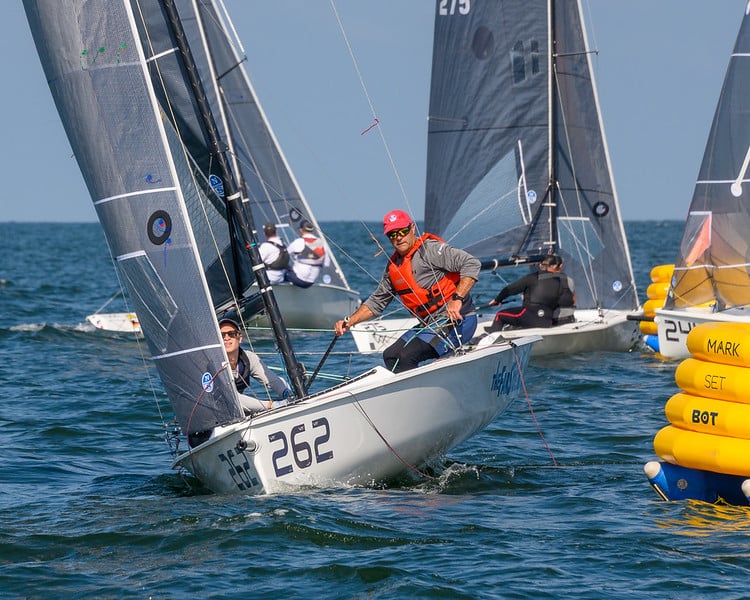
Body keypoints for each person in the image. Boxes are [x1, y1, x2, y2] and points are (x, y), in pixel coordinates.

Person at [334, 209, 480, 373]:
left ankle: (424, 395)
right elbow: (376, 302)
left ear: (412, 229)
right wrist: (350, 321)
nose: (398, 237)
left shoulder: (431, 251)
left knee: (407, 356)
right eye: (392, 234)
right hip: (430, 323)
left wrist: (457, 299)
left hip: (458, 320)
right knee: (390, 356)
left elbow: (472, 263)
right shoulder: (393, 267)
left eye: (402, 231)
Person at [485, 254, 576, 332]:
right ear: (560, 266)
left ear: (541, 265)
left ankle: (490, 336)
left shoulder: (532, 278)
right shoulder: (563, 281)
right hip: (547, 320)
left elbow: (509, 290)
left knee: (500, 315)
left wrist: (497, 300)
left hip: (530, 317)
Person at [219, 318, 291, 414]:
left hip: (237, 412)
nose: (226, 338)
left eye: (231, 334)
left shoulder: (248, 358)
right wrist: (271, 405)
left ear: (240, 338)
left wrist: (287, 393)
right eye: (222, 335)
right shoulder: (213, 364)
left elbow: (272, 380)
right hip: (215, 415)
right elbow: (231, 398)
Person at [284, 219, 330, 288]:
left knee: (284, 273)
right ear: (312, 230)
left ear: (301, 230)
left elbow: (284, 255)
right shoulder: (321, 243)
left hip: (299, 279)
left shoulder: (299, 242)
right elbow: (327, 264)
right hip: (311, 282)